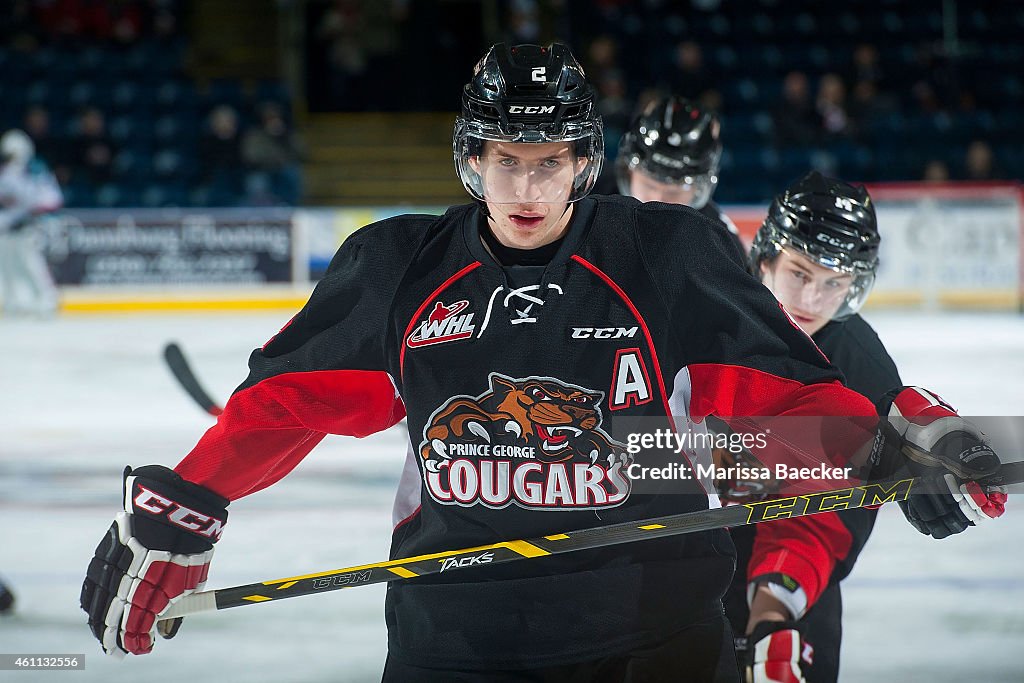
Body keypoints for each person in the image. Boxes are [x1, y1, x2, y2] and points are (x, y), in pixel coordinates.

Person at [80, 44, 1003, 682]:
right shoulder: (402, 267)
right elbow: (285, 405)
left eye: (549, 160)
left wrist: (888, 449)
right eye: (505, 158)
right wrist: (189, 503)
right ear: (470, 158)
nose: (527, 187)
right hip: (455, 639)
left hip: (657, 640)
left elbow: (782, 398)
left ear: (583, 162)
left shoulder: (668, 257)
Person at [729, 171, 1008, 683]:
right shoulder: (708, 311)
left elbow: (901, 411)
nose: (812, 300)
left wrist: (945, 442)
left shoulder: (851, 350)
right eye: (800, 273)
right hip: (676, 577)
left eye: (834, 283)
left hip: (790, 587)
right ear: (765, 257)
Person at [612, 94, 746, 262]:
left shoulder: (721, 245)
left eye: (674, 192)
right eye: (649, 186)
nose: (657, 201)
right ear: (629, 172)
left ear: (699, 189)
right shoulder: (586, 201)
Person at [0, 129, 63, 316]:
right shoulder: (6, 172)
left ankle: (47, 298)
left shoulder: (36, 171)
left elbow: (52, 198)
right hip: (7, 227)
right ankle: (13, 301)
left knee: (31, 263)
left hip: (28, 226)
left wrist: (31, 213)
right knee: (7, 265)